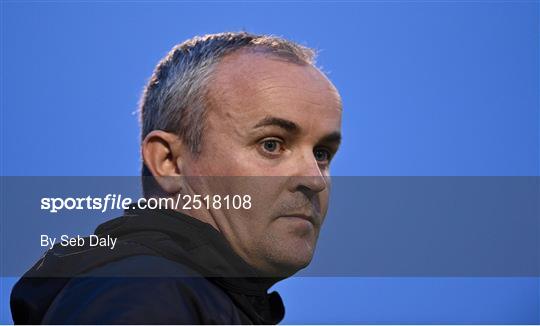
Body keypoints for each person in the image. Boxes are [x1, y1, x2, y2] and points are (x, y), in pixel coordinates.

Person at [11, 31, 342, 324]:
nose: (315, 180)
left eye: (322, 154)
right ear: (168, 161)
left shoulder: (177, 296)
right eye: (271, 144)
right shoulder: (142, 293)